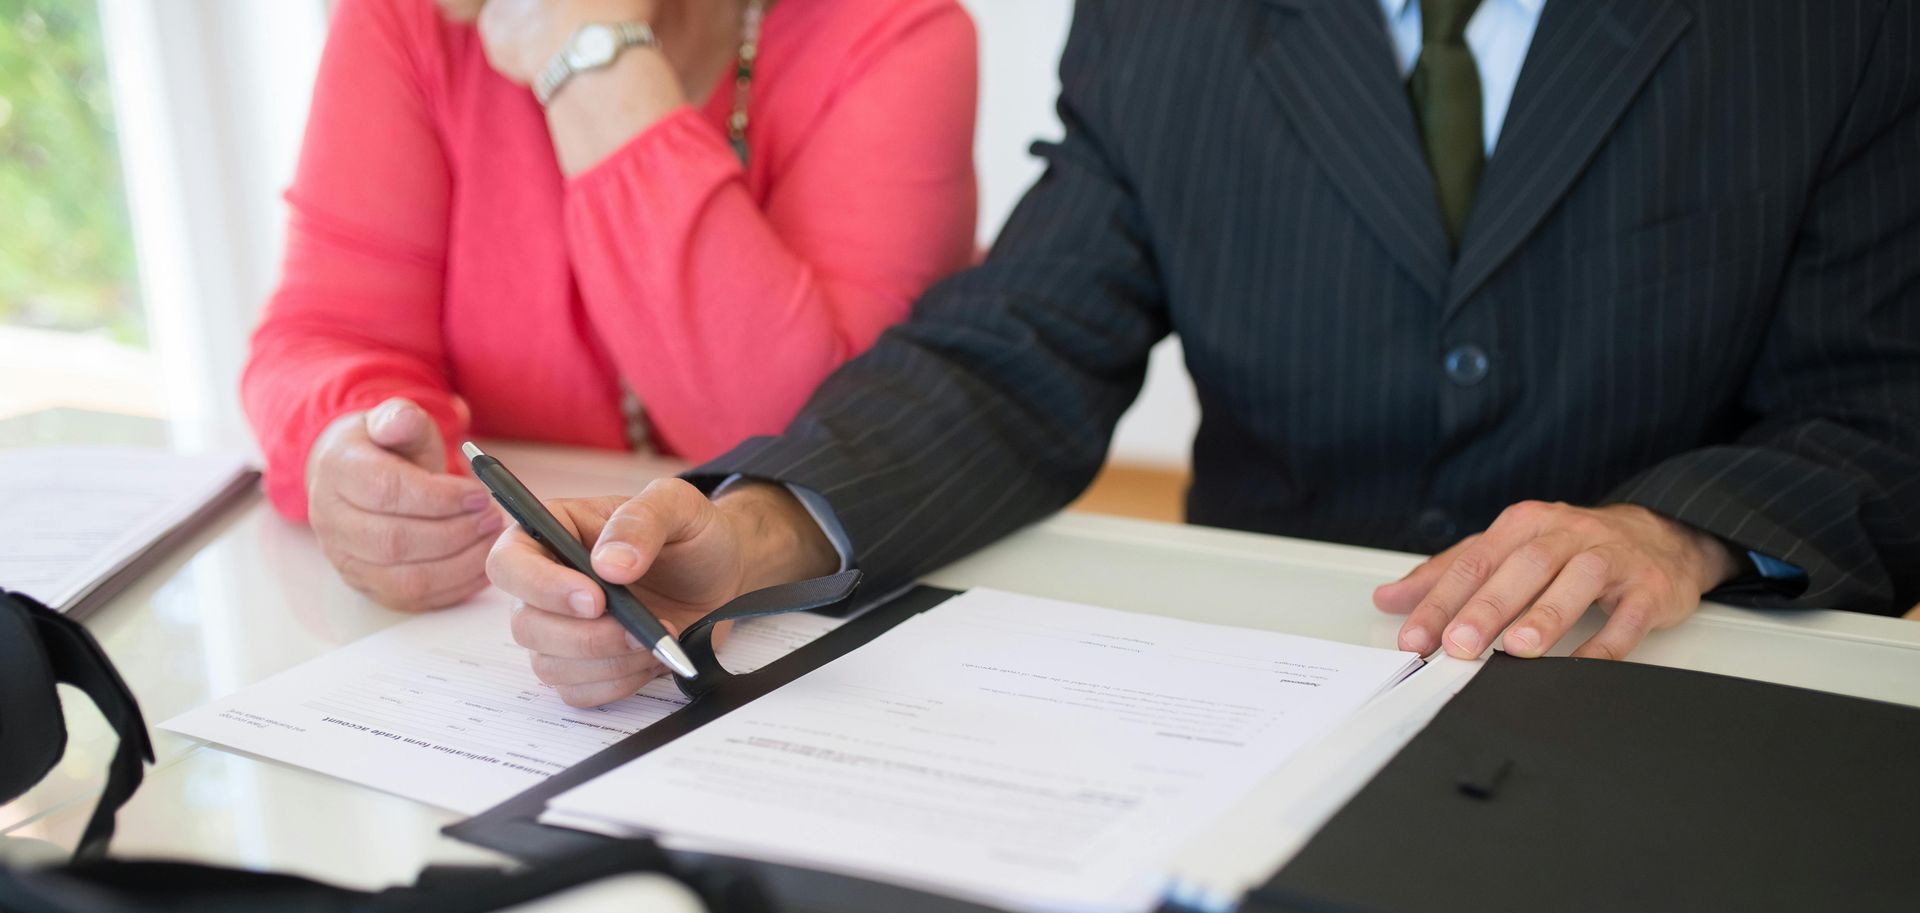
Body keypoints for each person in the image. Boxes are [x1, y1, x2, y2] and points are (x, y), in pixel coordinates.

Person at [489, 0, 1920, 708]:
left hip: (1670, 689)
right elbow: (1016, 349)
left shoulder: (1834, 28)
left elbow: (1884, 409)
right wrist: (746, 534)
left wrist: (1680, 532)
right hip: (1263, 703)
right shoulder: (1166, 23)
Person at [244, 0, 977, 610]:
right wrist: (349, 446)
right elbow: (325, 335)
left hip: (796, 625)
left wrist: (592, 60)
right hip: (502, 629)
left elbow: (813, 445)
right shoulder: (409, 19)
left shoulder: (894, 31)